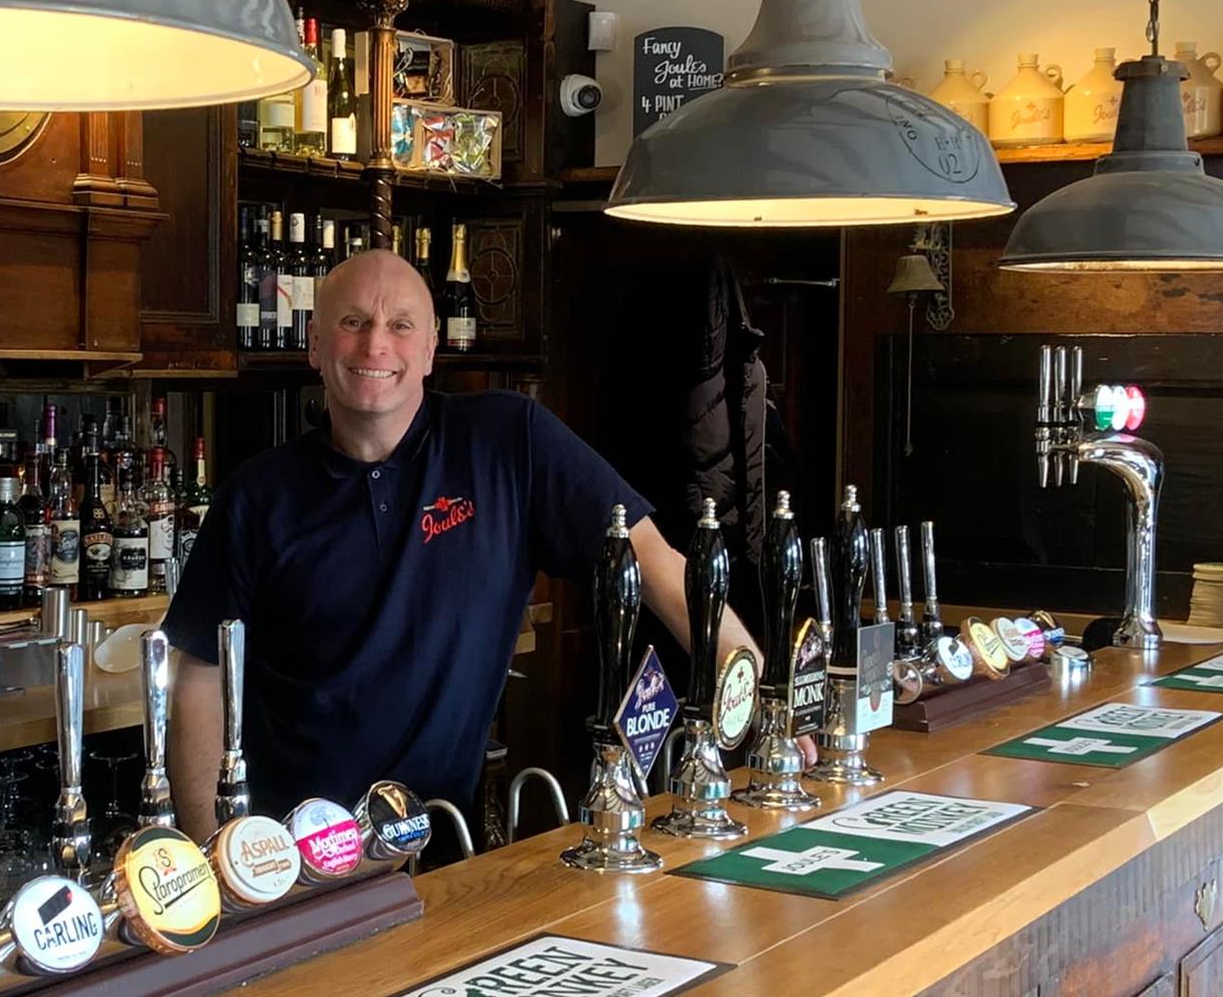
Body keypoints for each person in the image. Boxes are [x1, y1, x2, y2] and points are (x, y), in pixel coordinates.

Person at [164, 249, 782, 844]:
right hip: (294, 857)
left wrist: (759, 706)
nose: (376, 345)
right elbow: (198, 674)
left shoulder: (508, 441)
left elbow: (656, 565)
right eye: (352, 323)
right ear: (315, 347)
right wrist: (216, 854)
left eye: (400, 325)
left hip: (439, 844)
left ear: (432, 348)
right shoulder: (256, 497)